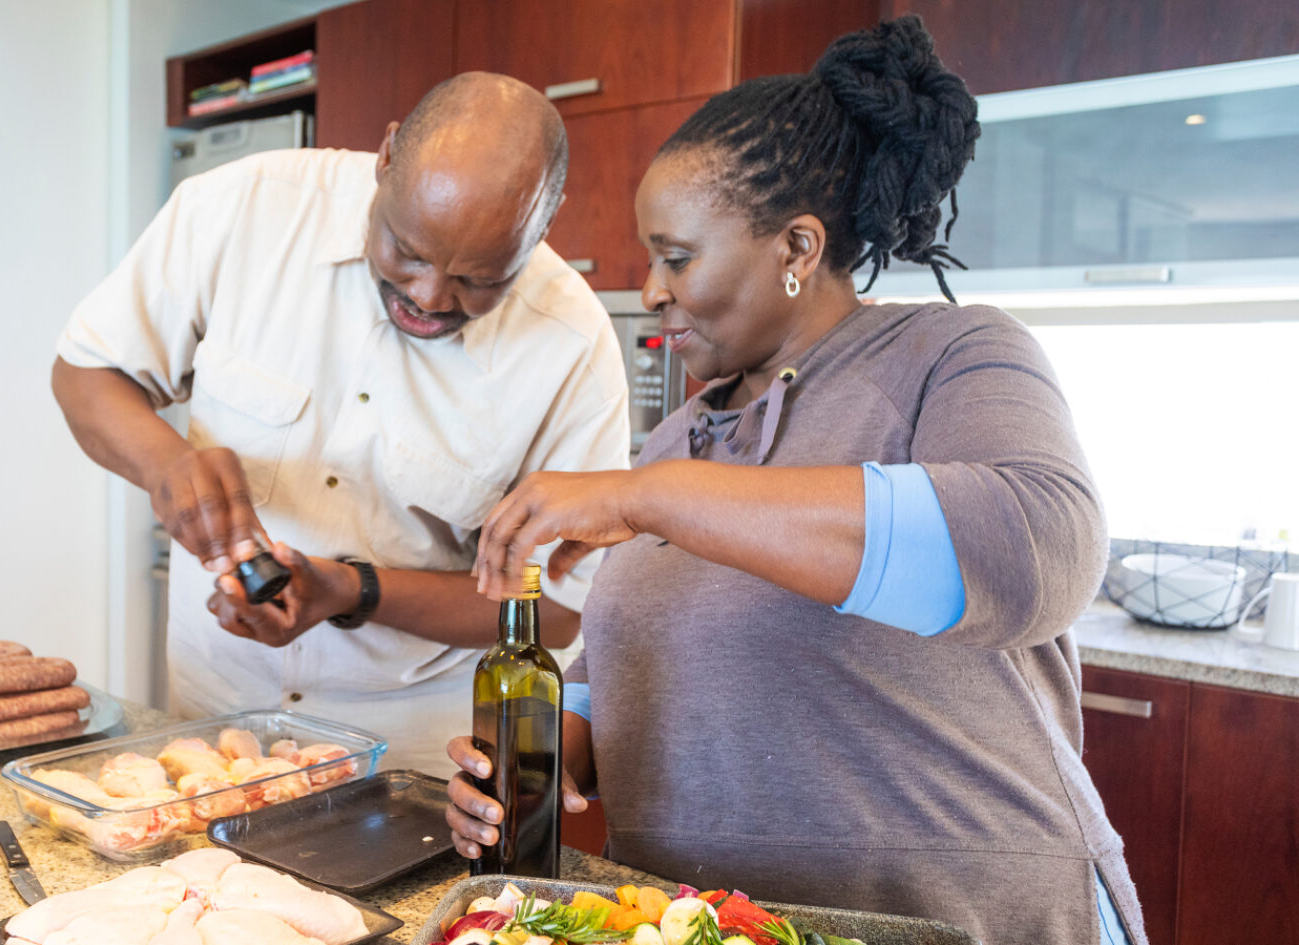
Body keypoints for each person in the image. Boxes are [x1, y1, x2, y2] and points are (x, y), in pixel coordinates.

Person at [445, 18, 1144, 945]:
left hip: (962, 921)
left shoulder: (952, 353)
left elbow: (1035, 551)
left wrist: (641, 496)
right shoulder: (681, 440)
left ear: (798, 248)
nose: (651, 288)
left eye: (678, 256)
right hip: (717, 924)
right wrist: (542, 750)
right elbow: (639, 656)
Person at [52, 73, 631, 775]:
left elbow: (559, 611)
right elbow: (85, 371)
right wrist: (163, 463)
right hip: (212, 728)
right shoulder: (244, 207)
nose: (427, 295)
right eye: (407, 250)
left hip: (411, 759)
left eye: (478, 281)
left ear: (544, 222)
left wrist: (352, 591)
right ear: (386, 157)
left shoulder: (572, 343)